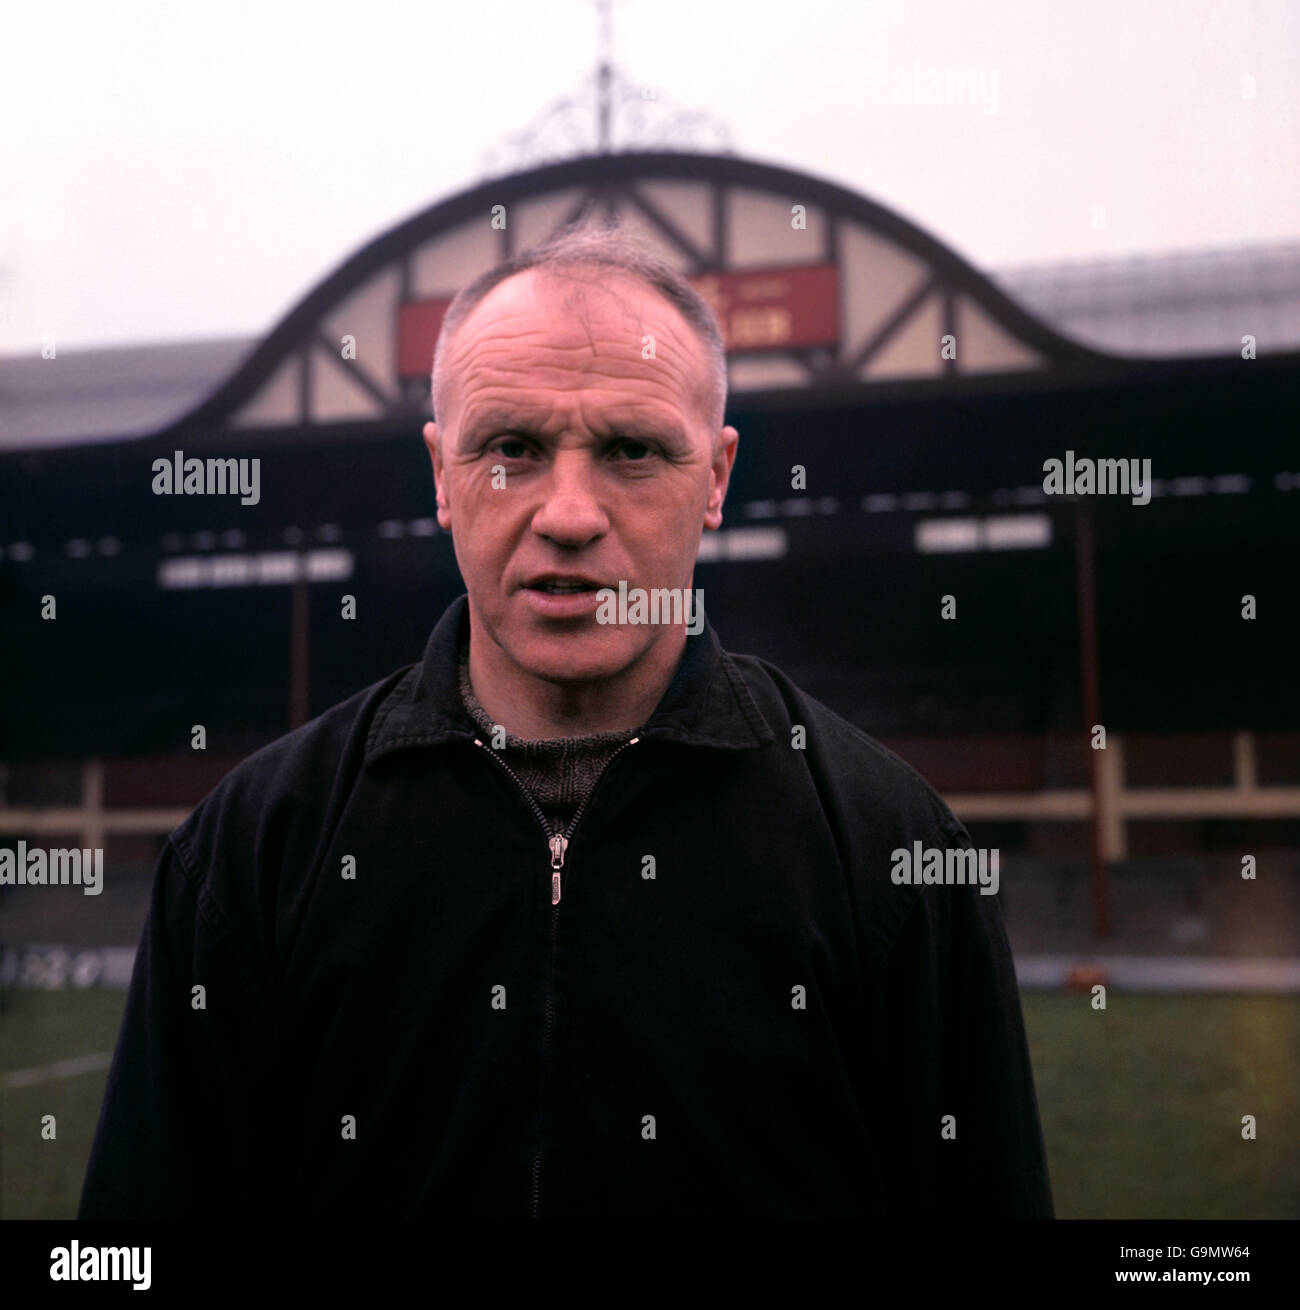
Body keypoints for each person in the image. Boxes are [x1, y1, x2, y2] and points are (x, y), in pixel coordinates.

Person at [79, 222, 1053, 1219]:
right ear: (440, 477)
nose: (569, 511)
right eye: (512, 448)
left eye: (631, 449)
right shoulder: (253, 849)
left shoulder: (893, 850)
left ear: (715, 477)